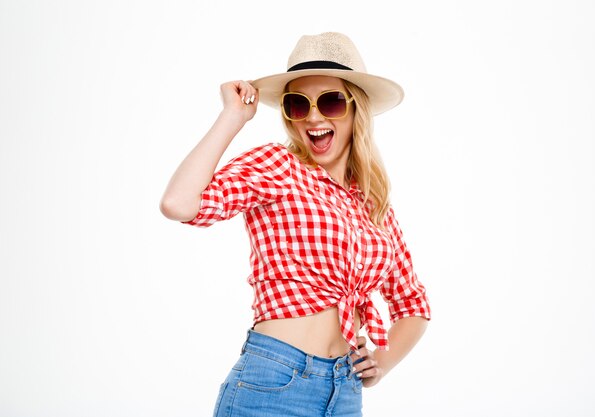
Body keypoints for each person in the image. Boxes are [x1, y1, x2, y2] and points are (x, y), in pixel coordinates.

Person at [160, 32, 431, 417]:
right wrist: (232, 117)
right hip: (274, 381)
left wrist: (382, 362)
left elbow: (412, 303)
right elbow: (179, 203)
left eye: (332, 101)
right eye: (298, 105)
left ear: (358, 109)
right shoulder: (279, 168)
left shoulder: (373, 203)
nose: (315, 117)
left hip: (346, 391)